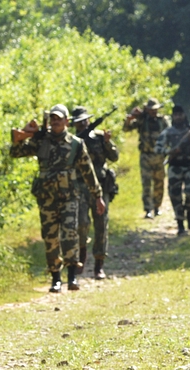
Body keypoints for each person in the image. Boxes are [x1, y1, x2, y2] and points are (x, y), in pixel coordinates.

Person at [10, 104, 106, 293]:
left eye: (59, 119)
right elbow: (15, 153)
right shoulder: (41, 141)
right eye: (53, 119)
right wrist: (22, 135)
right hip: (47, 199)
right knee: (50, 237)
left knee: (70, 235)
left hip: (69, 197)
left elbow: (88, 171)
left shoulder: (76, 144)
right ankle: (55, 278)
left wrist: (98, 196)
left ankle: (72, 277)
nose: (55, 122)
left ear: (66, 122)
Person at [71, 106, 119, 280]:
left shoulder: (99, 137)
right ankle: (81, 259)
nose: (83, 124)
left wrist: (107, 142)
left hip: (101, 186)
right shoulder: (73, 140)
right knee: (81, 223)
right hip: (81, 187)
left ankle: (99, 265)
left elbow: (114, 157)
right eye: (79, 122)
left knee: (101, 224)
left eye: (85, 120)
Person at [155, 105, 190, 235]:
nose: (178, 117)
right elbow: (158, 148)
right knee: (175, 194)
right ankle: (180, 223)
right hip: (175, 167)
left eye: (180, 115)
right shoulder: (168, 132)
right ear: (173, 117)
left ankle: (189, 214)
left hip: (189, 166)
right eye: (176, 115)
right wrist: (170, 151)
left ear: (184, 116)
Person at [123, 98, 170, 219]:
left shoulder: (163, 120)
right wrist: (129, 119)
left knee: (159, 183)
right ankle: (148, 209)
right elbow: (126, 128)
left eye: (155, 110)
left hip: (159, 156)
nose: (153, 112)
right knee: (147, 184)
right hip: (146, 155)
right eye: (151, 110)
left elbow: (169, 134)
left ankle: (157, 207)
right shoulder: (142, 120)